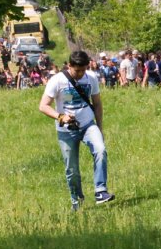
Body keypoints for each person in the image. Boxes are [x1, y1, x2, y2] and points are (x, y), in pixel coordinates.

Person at [38, 50, 114, 211]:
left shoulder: (91, 77)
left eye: (83, 70)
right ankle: (77, 201)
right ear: (69, 65)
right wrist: (60, 116)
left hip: (88, 125)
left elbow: (98, 104)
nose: (80, 74)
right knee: (71, 169)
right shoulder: (57, 80)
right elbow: (43, 106)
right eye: (76, 70)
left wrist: (99, 127)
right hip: (66, 130)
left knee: (100, 150)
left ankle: (100, 191)